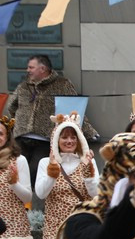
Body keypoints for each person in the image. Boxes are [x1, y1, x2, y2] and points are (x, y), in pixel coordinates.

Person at [4, 54, 98, 187]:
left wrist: (88, 131)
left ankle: (34, 205)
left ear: (42, 69)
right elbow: (11, 106)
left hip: (44, 139)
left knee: (35, 172)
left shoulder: (62, 84)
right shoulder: (24, 86)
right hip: (21, 137)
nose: (28, 70)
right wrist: (21, 121)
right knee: (16, 168)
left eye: (31, 67)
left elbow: (74, 108)